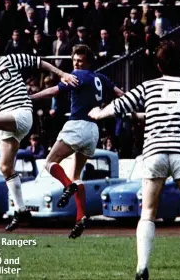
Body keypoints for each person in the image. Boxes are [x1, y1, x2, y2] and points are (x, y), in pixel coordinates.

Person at [88, 41, 180, 280]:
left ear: (158, 65)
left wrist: (99, 114)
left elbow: (121, 105)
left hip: (153, 152)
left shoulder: (148, 87)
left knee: (148, 212)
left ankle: (141, 268)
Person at [0, 45, 78, 231]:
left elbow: (38, 62)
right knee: (5, 168)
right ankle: (21, 210)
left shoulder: (8, 61)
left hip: (22, 113)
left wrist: (62, 73)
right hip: (7, 121)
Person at [31, 45, 124, 238]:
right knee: (76, 174)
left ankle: (67, 186)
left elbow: (53, 92)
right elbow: (120, 94)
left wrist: (30, 97)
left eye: (79, 61)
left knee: (49, 163)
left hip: (77, 125)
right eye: (74, 61)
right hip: (93, 130)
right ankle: (81, 217)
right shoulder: (101, 78)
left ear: (87, 62)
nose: (76, 64)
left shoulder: (77, 76)